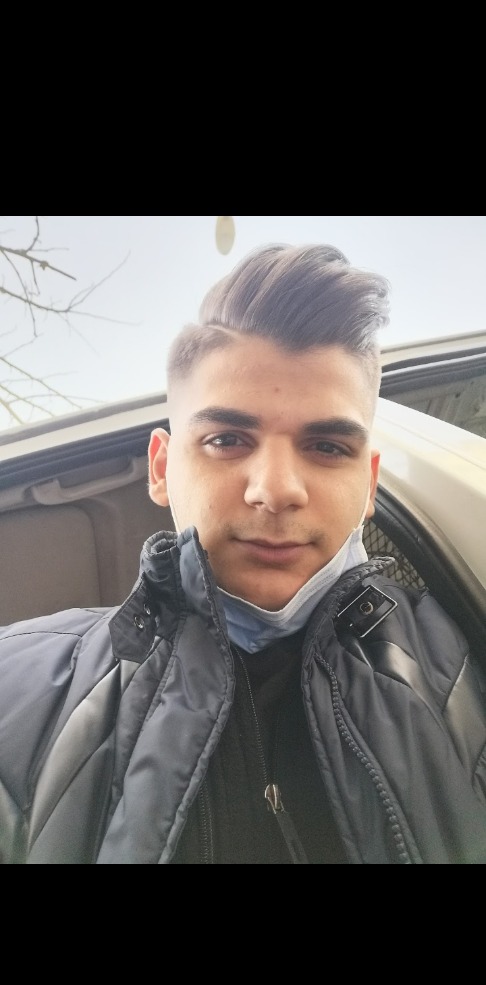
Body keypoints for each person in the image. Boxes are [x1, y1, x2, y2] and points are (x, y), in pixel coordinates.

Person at [1, 242, 486, 864]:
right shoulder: (15, 688)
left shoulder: (466, 666)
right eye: (227, 439)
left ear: (368, 485)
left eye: (327, 447)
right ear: (161, 469)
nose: (275, 490)